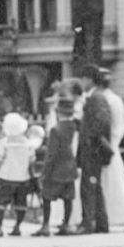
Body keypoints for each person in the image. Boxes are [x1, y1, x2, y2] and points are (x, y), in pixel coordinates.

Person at [96, 67, 124, 230]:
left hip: (106, 146)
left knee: (112, 184)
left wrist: (109, 145)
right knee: (113, 185)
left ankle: (123, 218)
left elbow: (113, 126)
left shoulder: (108, 100)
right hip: (109, 146)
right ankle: (119, 217)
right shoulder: (114, 99)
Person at [76, 70, 114, 235]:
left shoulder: (97, 98)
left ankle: (88, 223)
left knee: (89, 186)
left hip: (93, 150)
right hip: (92, 149)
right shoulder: (94, 97)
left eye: (83, 78)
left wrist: (90, 138)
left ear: (89, 79)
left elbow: (101, 121)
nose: (82, 82)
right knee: (94, 186)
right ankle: (100, 223)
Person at [0, 111, 37, 236]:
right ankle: (17, 227)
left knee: (1, 202)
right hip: (23, 177)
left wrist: (1, 168)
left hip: (6, 176)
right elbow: (32, 160)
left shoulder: (5, 142)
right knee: (21, 202)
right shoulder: (27, 142)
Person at [35, 94, 80, 236]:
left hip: (56, 170)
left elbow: (51, 154)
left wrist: (44, 172)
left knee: (47, 197)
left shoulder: (56, 130)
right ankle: (65, 224)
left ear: (58, 112)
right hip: (71, 168)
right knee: (68, 198)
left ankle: (46, 225)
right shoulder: (75, 127)